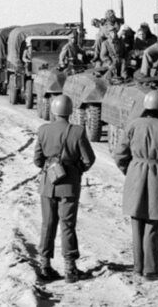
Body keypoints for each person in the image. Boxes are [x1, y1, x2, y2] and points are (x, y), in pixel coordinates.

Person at [113, 91, 158, 280]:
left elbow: (119, 154)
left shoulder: (133, 125)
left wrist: (129, 170)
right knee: (153, 223)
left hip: (135, 172)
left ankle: (138, 267)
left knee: (136, 222)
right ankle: (152, 269)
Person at [33, 95, 96, 282]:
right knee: (67, 225)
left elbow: (37, 160)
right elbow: (88, 159)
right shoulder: (77, 132)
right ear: (70, 111)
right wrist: (75, 171)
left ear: (53, 110)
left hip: (47, 184)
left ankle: (44, 266)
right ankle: (70, 268)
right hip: (69, 185)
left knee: (47, 225)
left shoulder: (43, 130)